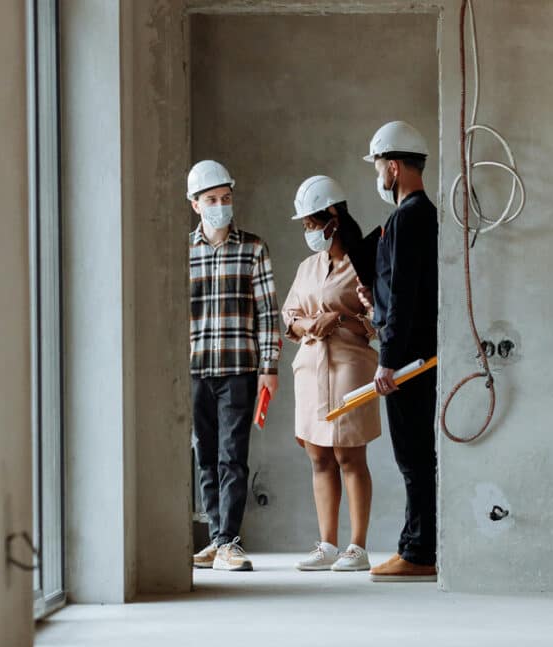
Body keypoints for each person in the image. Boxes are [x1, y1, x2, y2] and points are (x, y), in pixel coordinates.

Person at [354, 121, 440, 582]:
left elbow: (406, 295)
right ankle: (419, 545)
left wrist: (387, 361)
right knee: (416, 454)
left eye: (378, 168)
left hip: (409, 360)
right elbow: (399, 291)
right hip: (413, 351)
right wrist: (377, 306)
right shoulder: (416, 216)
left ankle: (419, 551)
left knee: (413, 455)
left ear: (393, 166)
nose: (378, 178)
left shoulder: (408, 217)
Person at [282, 176, 380, 572]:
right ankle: (327, 543)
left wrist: (338, 318)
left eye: (311, 223)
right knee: (318, 456)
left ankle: (357, 546)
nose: (309, 232)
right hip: (309, 369)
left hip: (348, 368)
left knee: (349, 454)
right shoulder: (308, 267)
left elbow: (377, 321)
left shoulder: (364, 264)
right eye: (305, 225)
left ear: (333, 217)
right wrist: (307, 326)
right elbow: (290, 317)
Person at [187, 160, 280, 572]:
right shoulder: (183, 253)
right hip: (195, 370)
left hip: (239, 369)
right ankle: (214, 538)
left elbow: (267, 315)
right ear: (195, 205)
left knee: (232, 456)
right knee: (204, 456)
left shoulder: (253, 248)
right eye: (212, 200)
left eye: (226, 198)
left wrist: (270, 368)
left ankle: (229, 541)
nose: (221, 206)